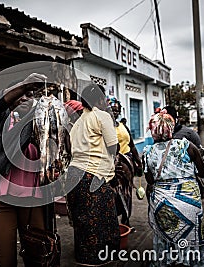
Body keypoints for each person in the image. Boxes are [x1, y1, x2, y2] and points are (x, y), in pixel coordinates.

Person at [0, 73, 48, 267]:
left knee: (38, 255)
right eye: (22, 94)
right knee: (5, 261)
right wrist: (25, 84)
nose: (26, 98)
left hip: (31, 200)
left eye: (31, 94)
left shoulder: (38, 125)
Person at [143, 110, 204, 267]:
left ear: (153, 131)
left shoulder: (148, 152)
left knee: (165, 237)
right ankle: (193, 263)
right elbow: (203, 172)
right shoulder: (187, 146)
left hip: (162, 205)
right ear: (170, 128)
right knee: (191, 238)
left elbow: (150, 180)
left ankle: (166, 262)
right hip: (189, 203)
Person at [66, 84, 120, 265]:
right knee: (100, 222)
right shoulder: (102, 116)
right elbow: (113, 146)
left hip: (73, 175)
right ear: (98, 100)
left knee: (83, 222)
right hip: (92, 176)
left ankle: (84, 259)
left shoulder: (78, 122)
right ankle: (100, 261)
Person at [108, 97, 142, 227]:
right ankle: (113, 224)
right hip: (114, 167)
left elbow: (132, 145)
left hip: (127, 165)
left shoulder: (123, 126)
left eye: (117, 110)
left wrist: (138, 162)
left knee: (127, 193)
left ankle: (126, 220)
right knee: (115, 194)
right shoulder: (104, 127)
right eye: (112, 110)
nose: (115, 113)